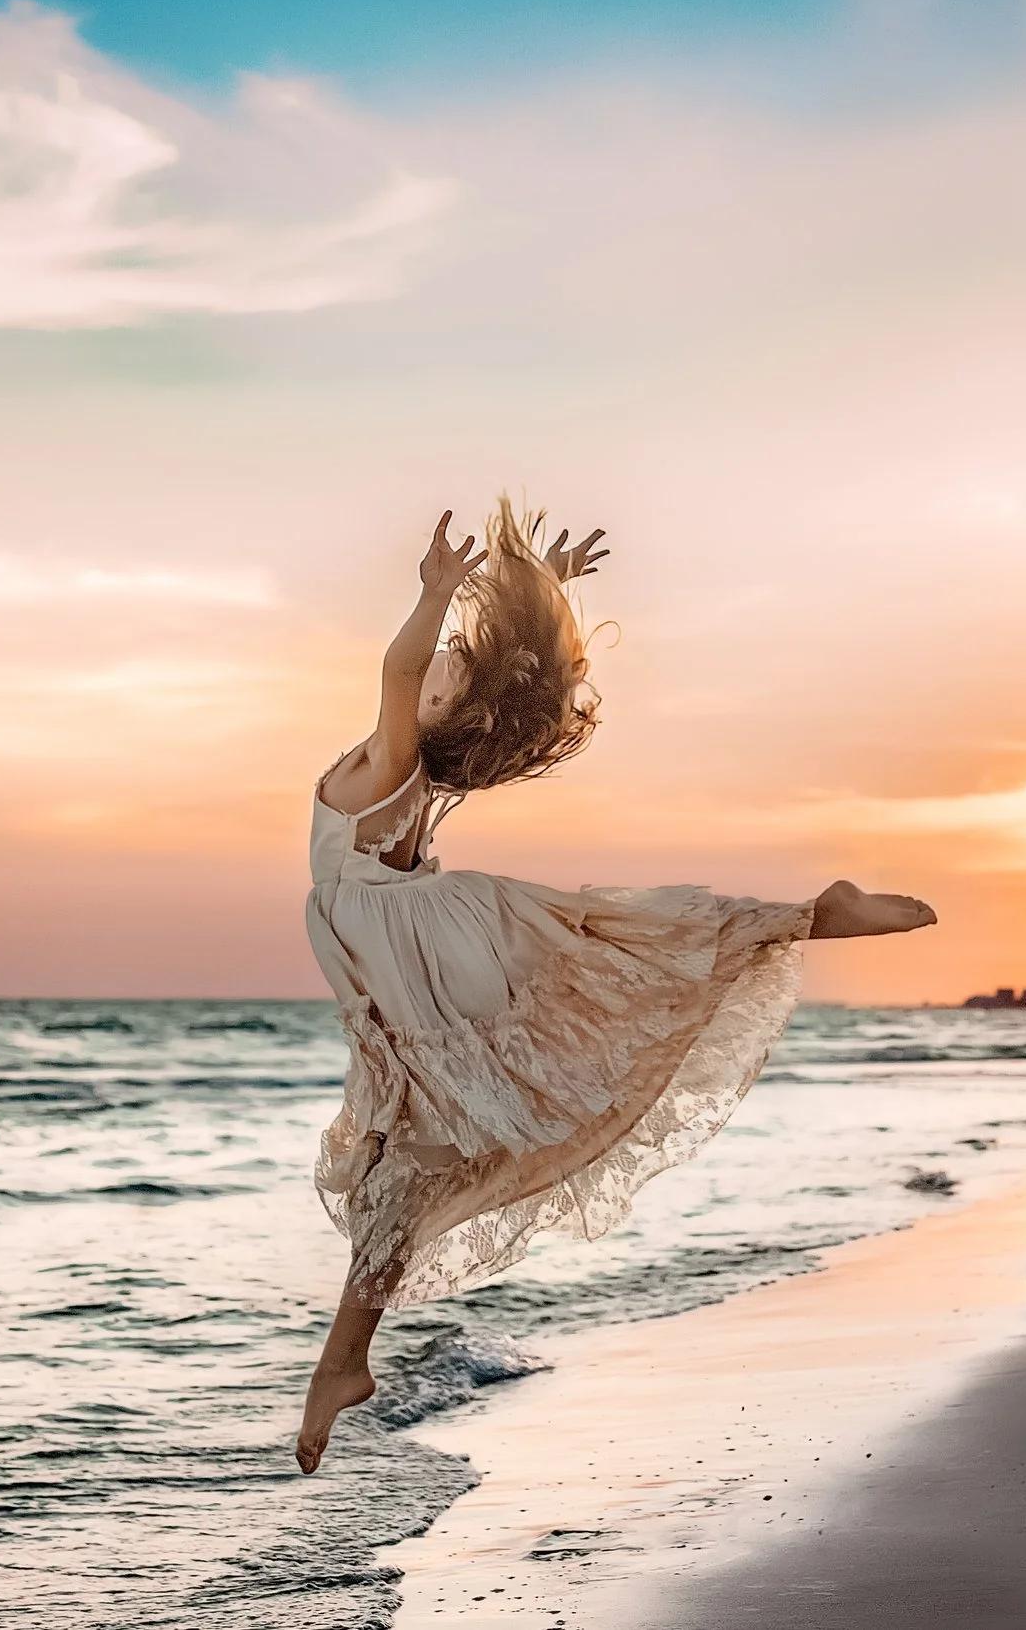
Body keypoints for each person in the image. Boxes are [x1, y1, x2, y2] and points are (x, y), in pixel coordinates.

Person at [296, 501, 937, 1472]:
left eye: (444, 672)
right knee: (411, 1148)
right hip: (405, 950)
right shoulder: (414, 763)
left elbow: (395, 669)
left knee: (618, 957)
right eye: (445, 660)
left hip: (415, 940)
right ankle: (344, 1360)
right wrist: (538, 603)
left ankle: (809, 914)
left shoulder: (394, 759)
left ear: (430, 713)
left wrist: (434, 594)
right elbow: (452, 680)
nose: (430, 666)